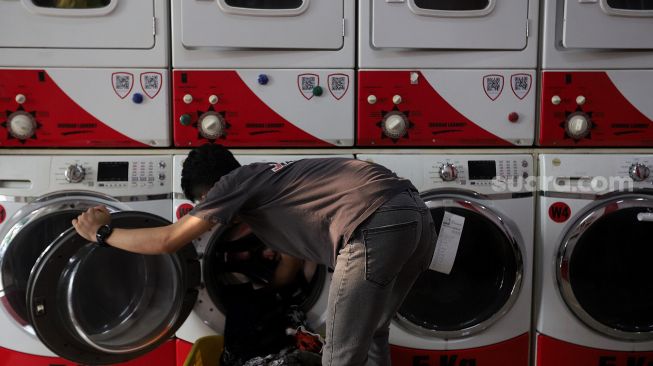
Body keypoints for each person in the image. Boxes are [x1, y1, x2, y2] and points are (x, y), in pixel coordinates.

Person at [72, 144, 437, 366]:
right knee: (372, 333)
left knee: (340, 358)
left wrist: (102, 232)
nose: (208, 217)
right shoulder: (273, 190)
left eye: (204, 206)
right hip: (417, 217)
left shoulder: (235, 183)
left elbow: (169, 240)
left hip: (372, 226)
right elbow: (286, 271)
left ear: (211, 192)